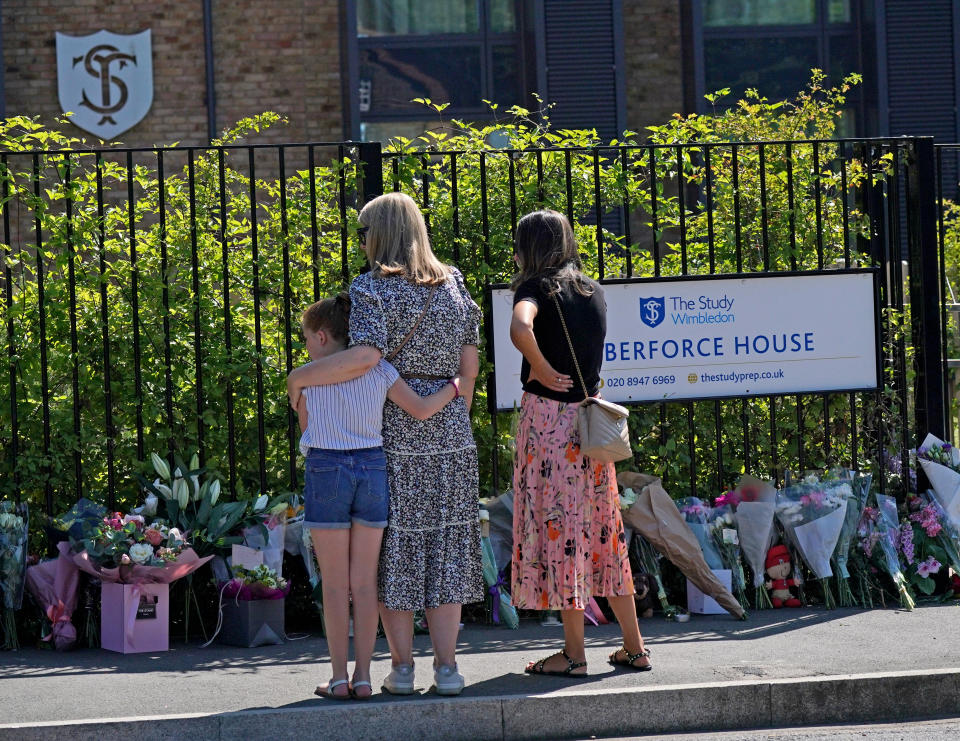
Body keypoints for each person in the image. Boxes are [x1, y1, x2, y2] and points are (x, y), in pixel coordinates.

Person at [288, 192, 483, 697]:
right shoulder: (454, 284)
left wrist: (301, 375)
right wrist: (454, 410)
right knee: (445, 547)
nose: (361, 241)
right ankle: (447, 668)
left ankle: (400, 668)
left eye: (363, 231)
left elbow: (367, 356)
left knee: (395, 549)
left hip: (392, 427)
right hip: (448, 430)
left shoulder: (372, 288)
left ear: (382, 233)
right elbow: (469, 365)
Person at [297, 293, 462, 700]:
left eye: (305, 338)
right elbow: (421, 409)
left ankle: (338, 678)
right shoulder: (381, 370)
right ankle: (367, 677)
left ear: (321, 337)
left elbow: (305, 429)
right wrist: (455, 389)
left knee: (335, 585)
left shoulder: (307, 376)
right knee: (365, 583)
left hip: (326, 467)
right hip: (372, 468)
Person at [509, 209, 651, 676]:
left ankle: (573, 655)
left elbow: (519, 326)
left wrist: (542, 367)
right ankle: (634, 647)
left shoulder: (535, 289)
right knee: (605, 532)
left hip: (549, 426)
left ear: (530, 248)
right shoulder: (593, 291)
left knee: (562, 530)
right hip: (589, 428)